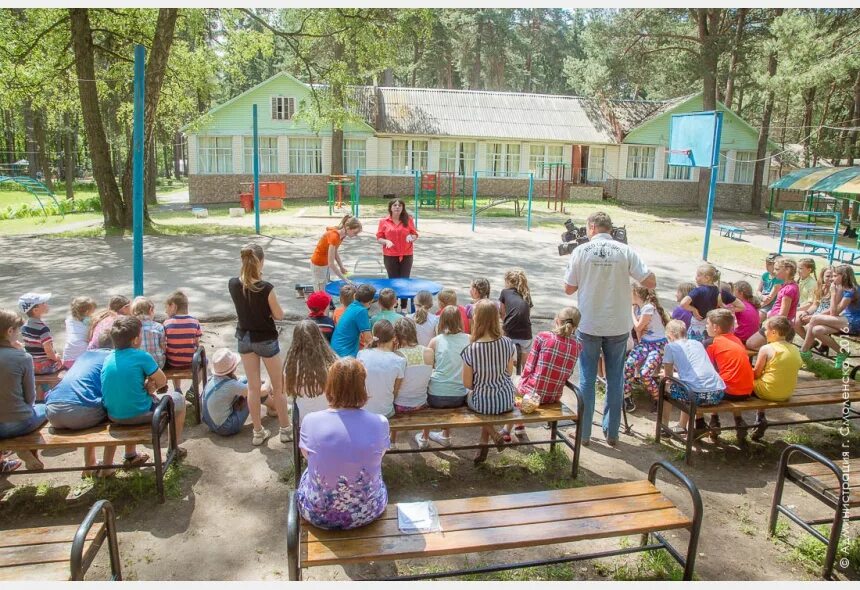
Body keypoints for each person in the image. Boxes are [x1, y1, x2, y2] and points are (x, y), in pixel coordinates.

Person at [563, 211, 656, 446]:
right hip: (617, 325)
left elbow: (569, 288)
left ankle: (584, 433)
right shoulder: (625, 251)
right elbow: (650, 281)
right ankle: (612, 432)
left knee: (587, 379)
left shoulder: (580, 251)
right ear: (610, 229)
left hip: (590, 323)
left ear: (592, 227)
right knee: (615, 379)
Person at [295, 359, 389, 530]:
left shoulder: (310, 420)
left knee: (309, 473)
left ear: (329, 386)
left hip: (318, 514)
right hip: (369, 511)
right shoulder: (380, 422)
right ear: (362, 388)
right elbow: (379, 455)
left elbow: (306, 455)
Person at [45, 331, 136, 477]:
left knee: (93, 404)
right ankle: (107, 467)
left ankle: (89, 465)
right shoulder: (113, 359)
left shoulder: (85, 355)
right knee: (115, 410)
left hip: (52, 410)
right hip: (80, 412)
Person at [227, 243, 291, 446]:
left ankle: (257, 431)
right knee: (279, 387)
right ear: (261, 261)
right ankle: (285, 429)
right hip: (266, 339)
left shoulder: (233, 284)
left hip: (244, 338)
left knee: (253, 388)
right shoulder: (266, 288)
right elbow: (279, 315)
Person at [101, 316, 187, 461]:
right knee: (178, 400)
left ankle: (131, 455)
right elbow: (162, 380)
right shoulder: (142, 356)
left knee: (131, 397)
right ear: (135, 340)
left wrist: (146, 387)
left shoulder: (108, 358)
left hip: (113, 415)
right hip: (139, 414)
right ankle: (174, 449)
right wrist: (150, 387)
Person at [461, 299, 517, 463]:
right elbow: (509, 372)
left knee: (473, 401)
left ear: (477, 319)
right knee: (485, 403)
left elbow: (467, 384)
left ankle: (493, 435)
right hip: (506, 399)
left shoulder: (471, 349)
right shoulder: (507, 343)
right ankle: (483, 444)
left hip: (482, 403)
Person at [514, 306, 582, 436]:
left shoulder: (543, 337)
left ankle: (519, 425)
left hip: (532, 394)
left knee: (514, 380)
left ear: (557, 320)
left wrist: (522, 385)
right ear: (576, 326)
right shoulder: (577, 346)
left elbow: (528, 367)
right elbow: (568, 373)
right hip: (553, 396)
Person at [416, 305, 470, 449]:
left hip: (436, 396)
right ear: (460, 321)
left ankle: (424, 438)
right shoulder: (469, 340)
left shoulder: (436, 341)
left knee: (428, 390)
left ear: (442, 321)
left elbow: (427, 367)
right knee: (453, 379)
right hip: (459, 395)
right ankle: (445, 436)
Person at [661, 319, 726, 436]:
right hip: (718, 393)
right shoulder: (698, 343)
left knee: (666, 386)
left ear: (670, 334)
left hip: (695, 396)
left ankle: (664, 426)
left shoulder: (670, 347)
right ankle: (683, 426)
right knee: (688, 385)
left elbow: (668, 376)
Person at [0, 308, 46, 470]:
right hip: (19, 423)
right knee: (45, 407)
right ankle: (26, 450)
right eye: (17, 330)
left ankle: (3, 458)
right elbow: (30, 398)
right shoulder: (22, 357)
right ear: (10, 331)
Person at [704, 308, 755, 444]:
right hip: (747, 390)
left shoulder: (711, 343)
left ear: (716, 327)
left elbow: (706, 370)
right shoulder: (736, 340)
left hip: (729, 391)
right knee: (727, 378)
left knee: (701, 388)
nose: (706, 326)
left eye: (707, 323)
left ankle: (709, 422)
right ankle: (739, 420)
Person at [201, 348, 277, 437]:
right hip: (225, 427)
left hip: (210, 423)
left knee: (249, 382)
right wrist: (269, 379)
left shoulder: (213, 379)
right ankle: (275, 407)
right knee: (254, 394)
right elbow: (261, 392)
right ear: (233, 368)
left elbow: (242, 381)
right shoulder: (231, 385)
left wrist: (259, 382)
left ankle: (272, 404)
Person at [752, 316, 803, 440]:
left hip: (768, 392)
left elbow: (756, 374)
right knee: (767, 380)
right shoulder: (795, 349)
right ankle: (760, 417)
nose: (764, 333)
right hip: (787, 393)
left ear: (774, 332)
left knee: (748, 382)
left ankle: (758, 416)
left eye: (765, 330)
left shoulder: (766, 348)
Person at [799, 264, 860, 368]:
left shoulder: (851, 290)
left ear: (844, 276)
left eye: (835, 275)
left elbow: (833, 313)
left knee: (815, 318)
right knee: (816, 330)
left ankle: (803, 351)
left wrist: (833, 294)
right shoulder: (841, 287)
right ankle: (842, 352)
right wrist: (836, 292)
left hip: (854, 323)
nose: (832, 278)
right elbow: (834, 311)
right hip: (845, 320)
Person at [623, 285, 669, 413]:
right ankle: (627, 396)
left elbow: (637, 327)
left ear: (637, 294)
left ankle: (657, 398)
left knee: (645, 373)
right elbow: (640, 332)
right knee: (629, 364)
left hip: (658, 344)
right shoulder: (639, 308)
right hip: (645, 343)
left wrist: (631, 311)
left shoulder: (648, 308)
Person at [284, 321, 338, 423]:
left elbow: (286, 390)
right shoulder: (332, 362)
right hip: (330, 418)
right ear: (319, 337)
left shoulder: (291, 366)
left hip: (305, 420)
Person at [746, 258, 799, 352]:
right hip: (774, 324)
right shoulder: (785, 285)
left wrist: (769, 325)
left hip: (778, 327)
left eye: (777, 269)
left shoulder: (789, 289)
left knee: (751, 344)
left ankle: (774, 352)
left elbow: (783, 315)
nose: (774, 272)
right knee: (750, 343)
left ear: (787, 270)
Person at [356, 320, 406, 418]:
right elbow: (395, 392)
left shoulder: (362, 354)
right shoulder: (400, 361)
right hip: (385, 411)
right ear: (394, 338)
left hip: (364, 409)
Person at [680, 263, 740, 343]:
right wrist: (728, 309)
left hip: (697, 327)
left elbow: (683, 303)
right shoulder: (718, 291)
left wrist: (694, 310)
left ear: (707, 278)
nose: (696, 278)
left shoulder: (698, 291)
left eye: (698, 275)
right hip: (710, 328)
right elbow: (741, 306)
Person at [376, 198, 418, 308]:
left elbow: (415, 234)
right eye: (395, 205)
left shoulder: (408, 219)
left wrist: (411, 237)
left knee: (404, 281)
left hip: (406, 254)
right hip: (390, 255)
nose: (397, 207)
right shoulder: (383, 221)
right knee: (393, 281)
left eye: (400, 205)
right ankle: (393, 305)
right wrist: (386, 241)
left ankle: (404, 306)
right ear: (390, 208)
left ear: (403, 208)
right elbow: (379, 237)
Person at [163, 290, 203, 394]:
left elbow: (164, 343)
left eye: (166, 307)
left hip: (173, 362)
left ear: (173, 306)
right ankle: (192, 390)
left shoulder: (166, 323)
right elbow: (197, 343)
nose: (165, 311)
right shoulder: (195, 322)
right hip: (191, 362)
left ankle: (177, 389)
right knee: (205, 362)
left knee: (172, 354)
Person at [310, 214, 362, 292]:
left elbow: (335, 251)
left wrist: (341, 267)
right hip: (318, 264)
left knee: (324, 284)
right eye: (355, 232)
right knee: (320, 289)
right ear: (348, 228)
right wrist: (345, 280)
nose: (356, 235)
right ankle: (319, 303)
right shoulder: (334, 236)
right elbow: (331, 264)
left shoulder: (342, 235)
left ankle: (324, 301)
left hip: (325, 263)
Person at [392, 317, 433, 414]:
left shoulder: (397, 355)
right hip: (422, 403)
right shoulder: (429, 352)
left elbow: (394, 387)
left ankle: (394, 430)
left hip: (401, 405)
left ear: (397, 335)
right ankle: (425, 430)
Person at [18, 292, 62, 375]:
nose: (46, 304)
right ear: (36, 310)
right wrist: (56, 358)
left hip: (31, 365)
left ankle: (42, 386)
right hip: (43, 366)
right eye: (43, 303)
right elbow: (48, 351)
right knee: (64, 363)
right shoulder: (43, 329)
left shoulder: (24, 326)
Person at [499, 269, 533, 367]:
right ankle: (524, 375)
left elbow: (502, 312)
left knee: (506, 359)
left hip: (510, 332)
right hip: (526, 334)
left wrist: (504, 326)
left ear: (508, 281)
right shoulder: (526, 294)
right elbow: (528, 314)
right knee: (525, 363)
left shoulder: (505, 292)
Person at [330, 283, 376, 358]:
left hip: (335, 349)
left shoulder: (352, 306)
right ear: (370, 301)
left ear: (355, 296)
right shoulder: (361, 311)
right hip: (345, 354)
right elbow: (369, 340)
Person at [795, 267, 833, 345]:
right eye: (828, 276)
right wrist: (807, 312)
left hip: (828, 315)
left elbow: (832, 310)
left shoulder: (836, 290)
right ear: (822, 277)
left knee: (809, 326)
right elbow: (815, 305)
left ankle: (821, 344)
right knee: (796, 321)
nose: (831, 278)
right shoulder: (820, 288)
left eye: (833, 276)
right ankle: (812, 343)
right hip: (817, 313)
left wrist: (814, 317)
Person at [62, 296, 97, 369]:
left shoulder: (68, 320)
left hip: (67, 360)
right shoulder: (89, 323)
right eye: (93, 311)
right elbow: (90, 339)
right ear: (87, 312)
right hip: (83, 361)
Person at [132, 296, 166, 368]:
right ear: (151, 310)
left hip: (139, 365)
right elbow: (163, 347)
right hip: (158, 365)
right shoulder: (158, 327)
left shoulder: (132, 327)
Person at [732, 280, 762, 345]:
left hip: (742, 338)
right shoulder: (752, 304)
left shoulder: (740, 305)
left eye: (734, 292)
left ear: (741, 293)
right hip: (752, 337)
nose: (732, 294)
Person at [758, 252, 784, 320]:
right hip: (762, 299)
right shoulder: (765, 275)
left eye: (770, 264)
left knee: (759, 315)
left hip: (771, 304)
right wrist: (761, 296)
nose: (767, 265)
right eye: (766, 263)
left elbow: (770, 299)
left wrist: (758, 306)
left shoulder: (779, 279)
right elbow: (758, 291)